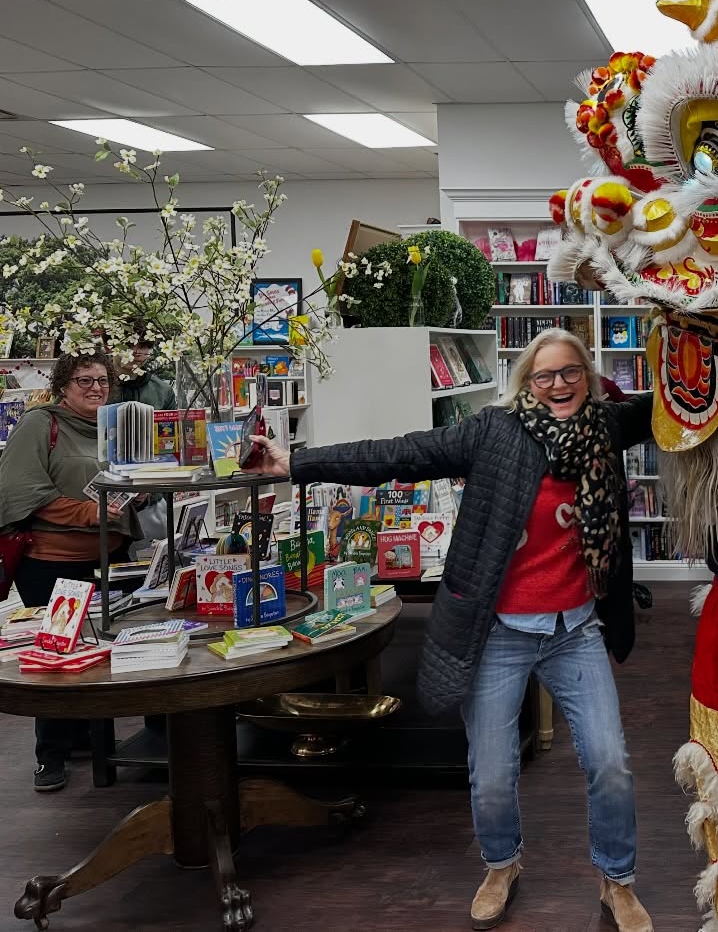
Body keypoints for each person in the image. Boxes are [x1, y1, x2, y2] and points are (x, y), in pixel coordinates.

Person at [248, 328, 656, 932]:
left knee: (610, 762)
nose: (560, 384)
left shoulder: (607, 427)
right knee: (491, 772)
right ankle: (501, 865)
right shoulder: (495, 431)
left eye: (571, 372)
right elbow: (401, 454)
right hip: (499, 631)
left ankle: (616, 880)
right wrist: (297, 462)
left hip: (574, 630)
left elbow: (683, 402)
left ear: (589, 377)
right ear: (527, 382)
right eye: (545, 375)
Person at [0, 353, 140, 792]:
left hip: (110, 557)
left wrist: (141, 491)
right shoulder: (40, 424)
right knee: (56, 656)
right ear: (63, 384)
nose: (96, 388)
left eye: (103, 380)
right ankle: (50, 756)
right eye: (84, 380)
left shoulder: (114, 427)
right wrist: (89, 512)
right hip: (51, 560)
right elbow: (22, 490)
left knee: (102, 653)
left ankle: (91, 741)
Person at [115, 339, 176, 410]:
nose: (136, 352)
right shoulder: (104, 387)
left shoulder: (163, 391)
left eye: (142, 346)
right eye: (128, 345)